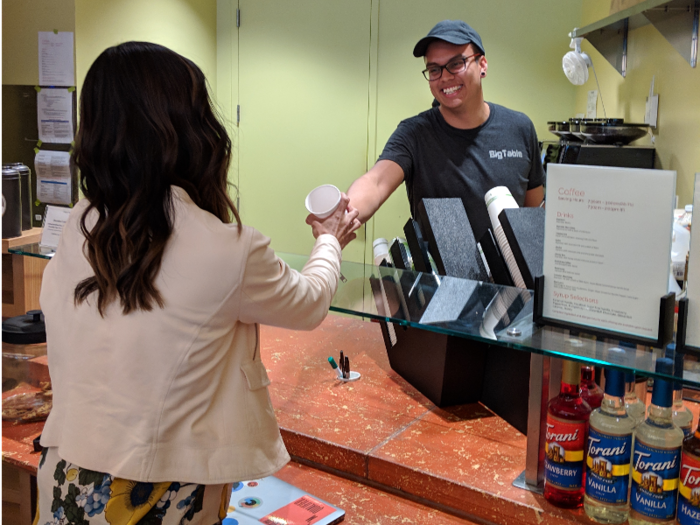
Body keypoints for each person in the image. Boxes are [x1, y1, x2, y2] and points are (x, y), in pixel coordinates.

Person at [36, 41, 360, 525]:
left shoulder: (80, 225)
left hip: (64, 472)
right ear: (186, 130)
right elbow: (309, 303)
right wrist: (330, 239)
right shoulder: (225, 247)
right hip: (157, 490)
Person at [348, 20, 545, 242]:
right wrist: (341, 216)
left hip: (510, 275)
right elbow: (375, 182)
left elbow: (535, 213)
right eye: (434, 69)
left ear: (483, 65)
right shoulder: (414, 133)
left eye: (456, 63)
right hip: (438, 277)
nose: (445, 77)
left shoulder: (519, 128)